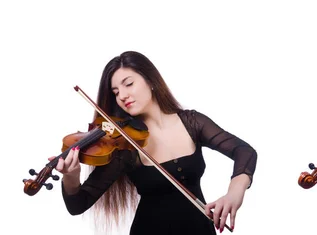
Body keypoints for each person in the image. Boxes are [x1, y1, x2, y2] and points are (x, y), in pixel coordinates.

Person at [49, 51, 257, 235]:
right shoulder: (125, 145)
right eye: (115, 92)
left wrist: (234, 193)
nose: (122, 95)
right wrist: (71, 176)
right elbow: (78, 204)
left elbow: (244, 151)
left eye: (128, 84)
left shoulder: (192, 123)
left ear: (150, 81)